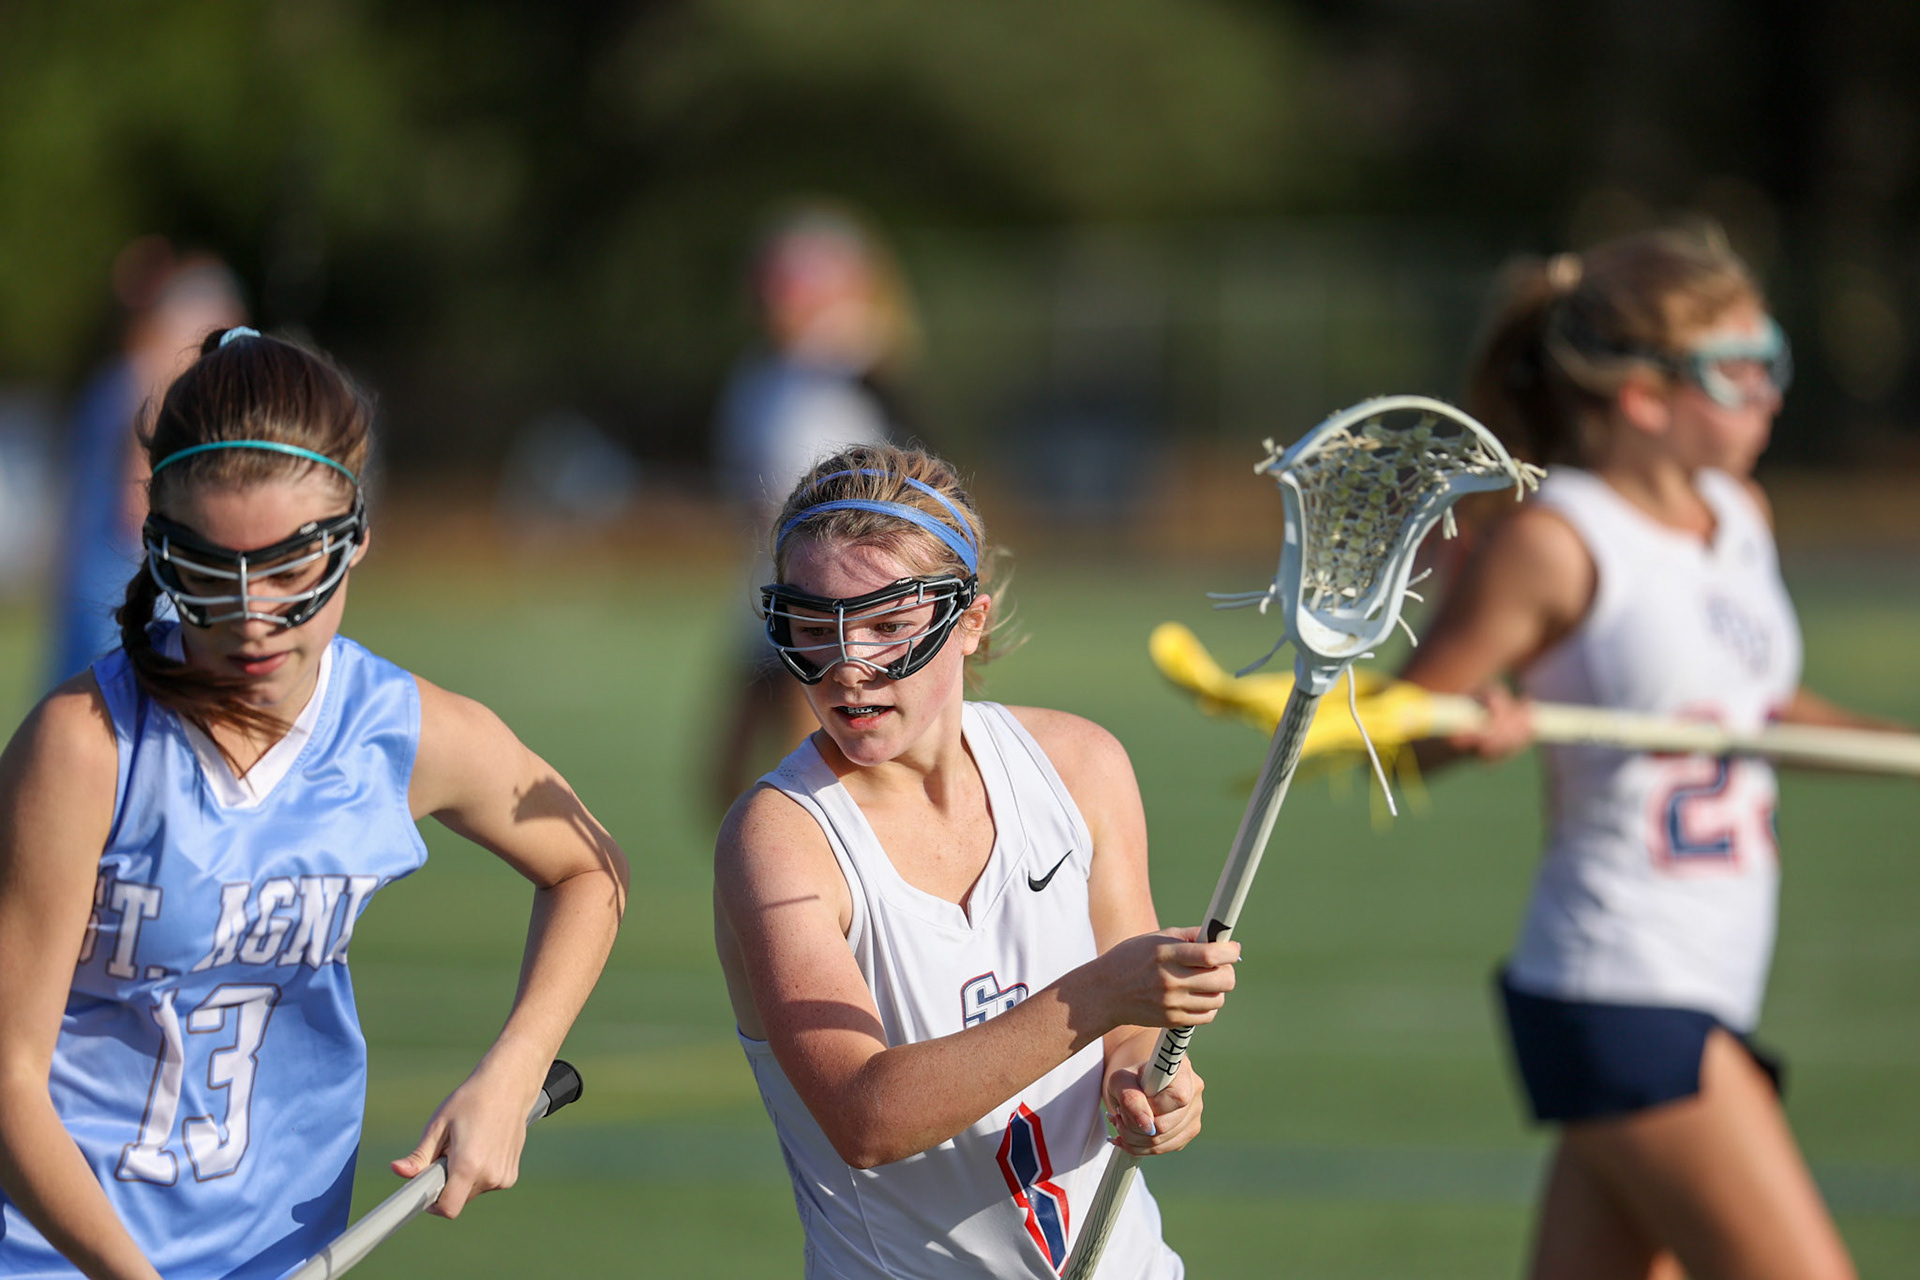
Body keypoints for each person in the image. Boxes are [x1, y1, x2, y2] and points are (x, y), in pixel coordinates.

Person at [0, 328, 629, 1279]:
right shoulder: (86, 748)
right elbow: (7, 1075)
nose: (255, 622)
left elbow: (589, 867)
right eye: (213, 573)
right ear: (158, 548)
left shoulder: (401, 730)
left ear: (356, 539)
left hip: (278, 1250)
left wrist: (513, 1071)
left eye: (293, 570)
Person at [1403, 227, 1886, 1280]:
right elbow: (1392, 736)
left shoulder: (1739, 515)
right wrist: (1466, 728)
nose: (1769, 393)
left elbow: (1757, 711)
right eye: (1736, 369)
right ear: (1642, 395)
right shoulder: (1559, 538)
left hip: (1707, 977)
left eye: (1773, 360)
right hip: (1620, 979)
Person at [713, 444, 1240, 1279]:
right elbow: (864, 1117)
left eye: (889, 625)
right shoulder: (781, 840)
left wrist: (1148, 1081)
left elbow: (1132, 1028)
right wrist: (1102, 996)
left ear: (971, 621)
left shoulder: (1080, 766)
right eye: (816, 630)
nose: (849, 668)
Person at [710, 206, 917, 812]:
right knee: (732, 779)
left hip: (837, 600)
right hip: (764, 591)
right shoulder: (763, 377)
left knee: (816, 780)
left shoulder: (863, 371)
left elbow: (918, 484)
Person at [48, 241, 248, 688]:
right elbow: (134, 501)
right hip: (125, 565)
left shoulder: (111, 377)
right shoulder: (155, 382)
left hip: (88, 563)